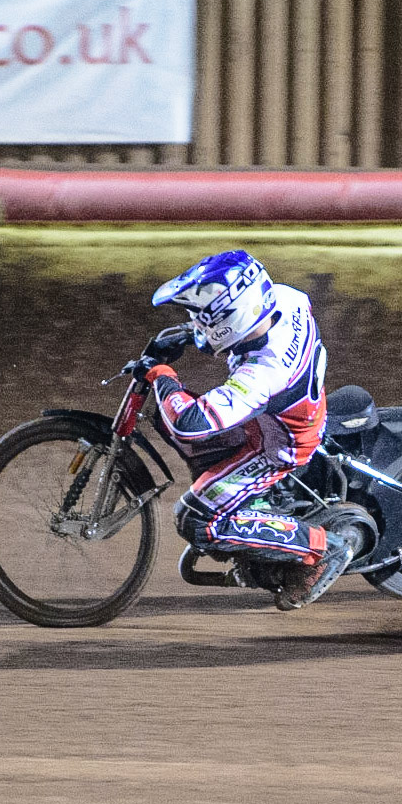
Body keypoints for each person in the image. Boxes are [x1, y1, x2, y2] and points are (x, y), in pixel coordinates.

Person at [136, 249, 353, 609]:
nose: (197, 323)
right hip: (282, 415)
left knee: (194, 519)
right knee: (174, 421)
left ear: (233, 317)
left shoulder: (262, 374)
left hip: (277, 448)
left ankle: (322, 548)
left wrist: (161, 374)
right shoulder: (285, 298)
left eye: (204, 318)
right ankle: (255, 510)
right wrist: (190, 334)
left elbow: (190, 424)